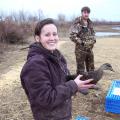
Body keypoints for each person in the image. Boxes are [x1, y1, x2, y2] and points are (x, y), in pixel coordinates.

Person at [20, 18, 95, 120]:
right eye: (47, 35)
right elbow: (45, 99)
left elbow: (62, 81)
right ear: (38, 38)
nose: (52, 38)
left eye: (54, 34)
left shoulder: (57, 56)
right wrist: (73, 85)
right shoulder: (35, 65)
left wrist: (78, 84)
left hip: (62, 114)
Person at [70, 6, 96, 74]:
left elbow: (93, 33)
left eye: (88, 13)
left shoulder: (90, 23)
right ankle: (79, 84)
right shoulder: (77, 23)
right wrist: (82, 43)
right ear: (82, 13)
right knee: (81, 70)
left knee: (91, 68)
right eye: (85, 12)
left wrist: (94, 40)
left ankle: (91, 83)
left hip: (89, 49)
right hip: (80, 51)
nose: (86, 14)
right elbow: (72, 36)